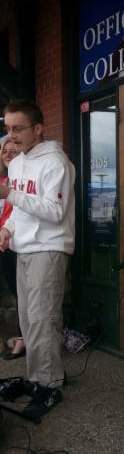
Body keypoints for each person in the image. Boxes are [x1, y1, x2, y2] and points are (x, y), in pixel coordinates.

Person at [0, 99, 75, 419]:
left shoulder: (56, 162)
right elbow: (18, 210)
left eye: (18, 128)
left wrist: (10, 195)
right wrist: (7, 228)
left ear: (38, 128)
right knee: (29, 318)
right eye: (7, 128)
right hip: (24, 248)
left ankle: (49, 384)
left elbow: (55, 212)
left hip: (50, 246)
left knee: (44, 318)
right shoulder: (16, 164)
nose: (11, 135)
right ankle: (38, 378)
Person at [0, 137, 25, 360]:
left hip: (15, 245)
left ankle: (22, 339)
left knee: (21, 295)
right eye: (4, 151)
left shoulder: (19, 182)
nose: (8, 154)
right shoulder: (1, 180)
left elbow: (19, 214)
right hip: (1, 243)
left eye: (13, 151)